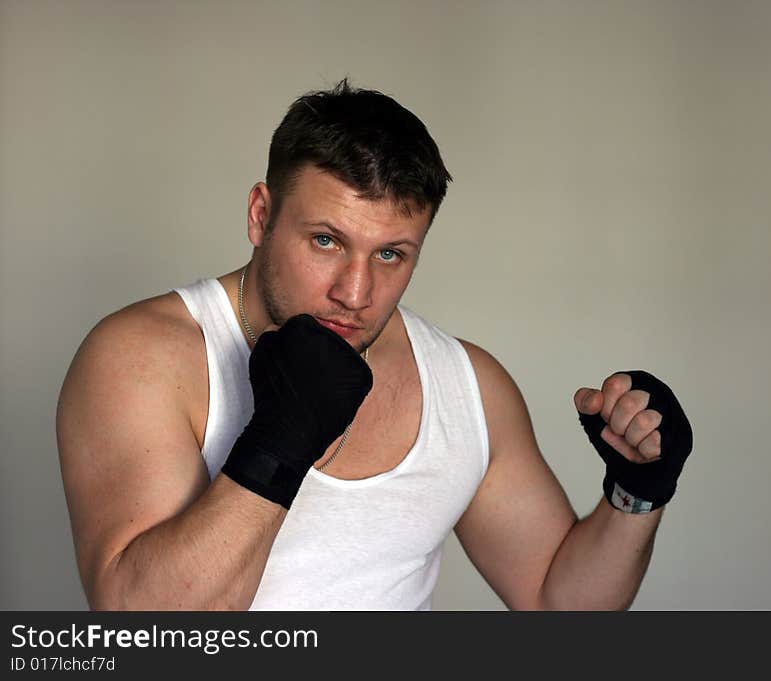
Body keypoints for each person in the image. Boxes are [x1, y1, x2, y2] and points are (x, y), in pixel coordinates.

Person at [56, 80, 693, 611]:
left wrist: (637, 494)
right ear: (260, 214)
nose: (355, 292)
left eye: (390, 253)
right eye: (326, 241)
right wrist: (280, 442)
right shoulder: (143, 358)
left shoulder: (466, 386)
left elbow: (559, 602)